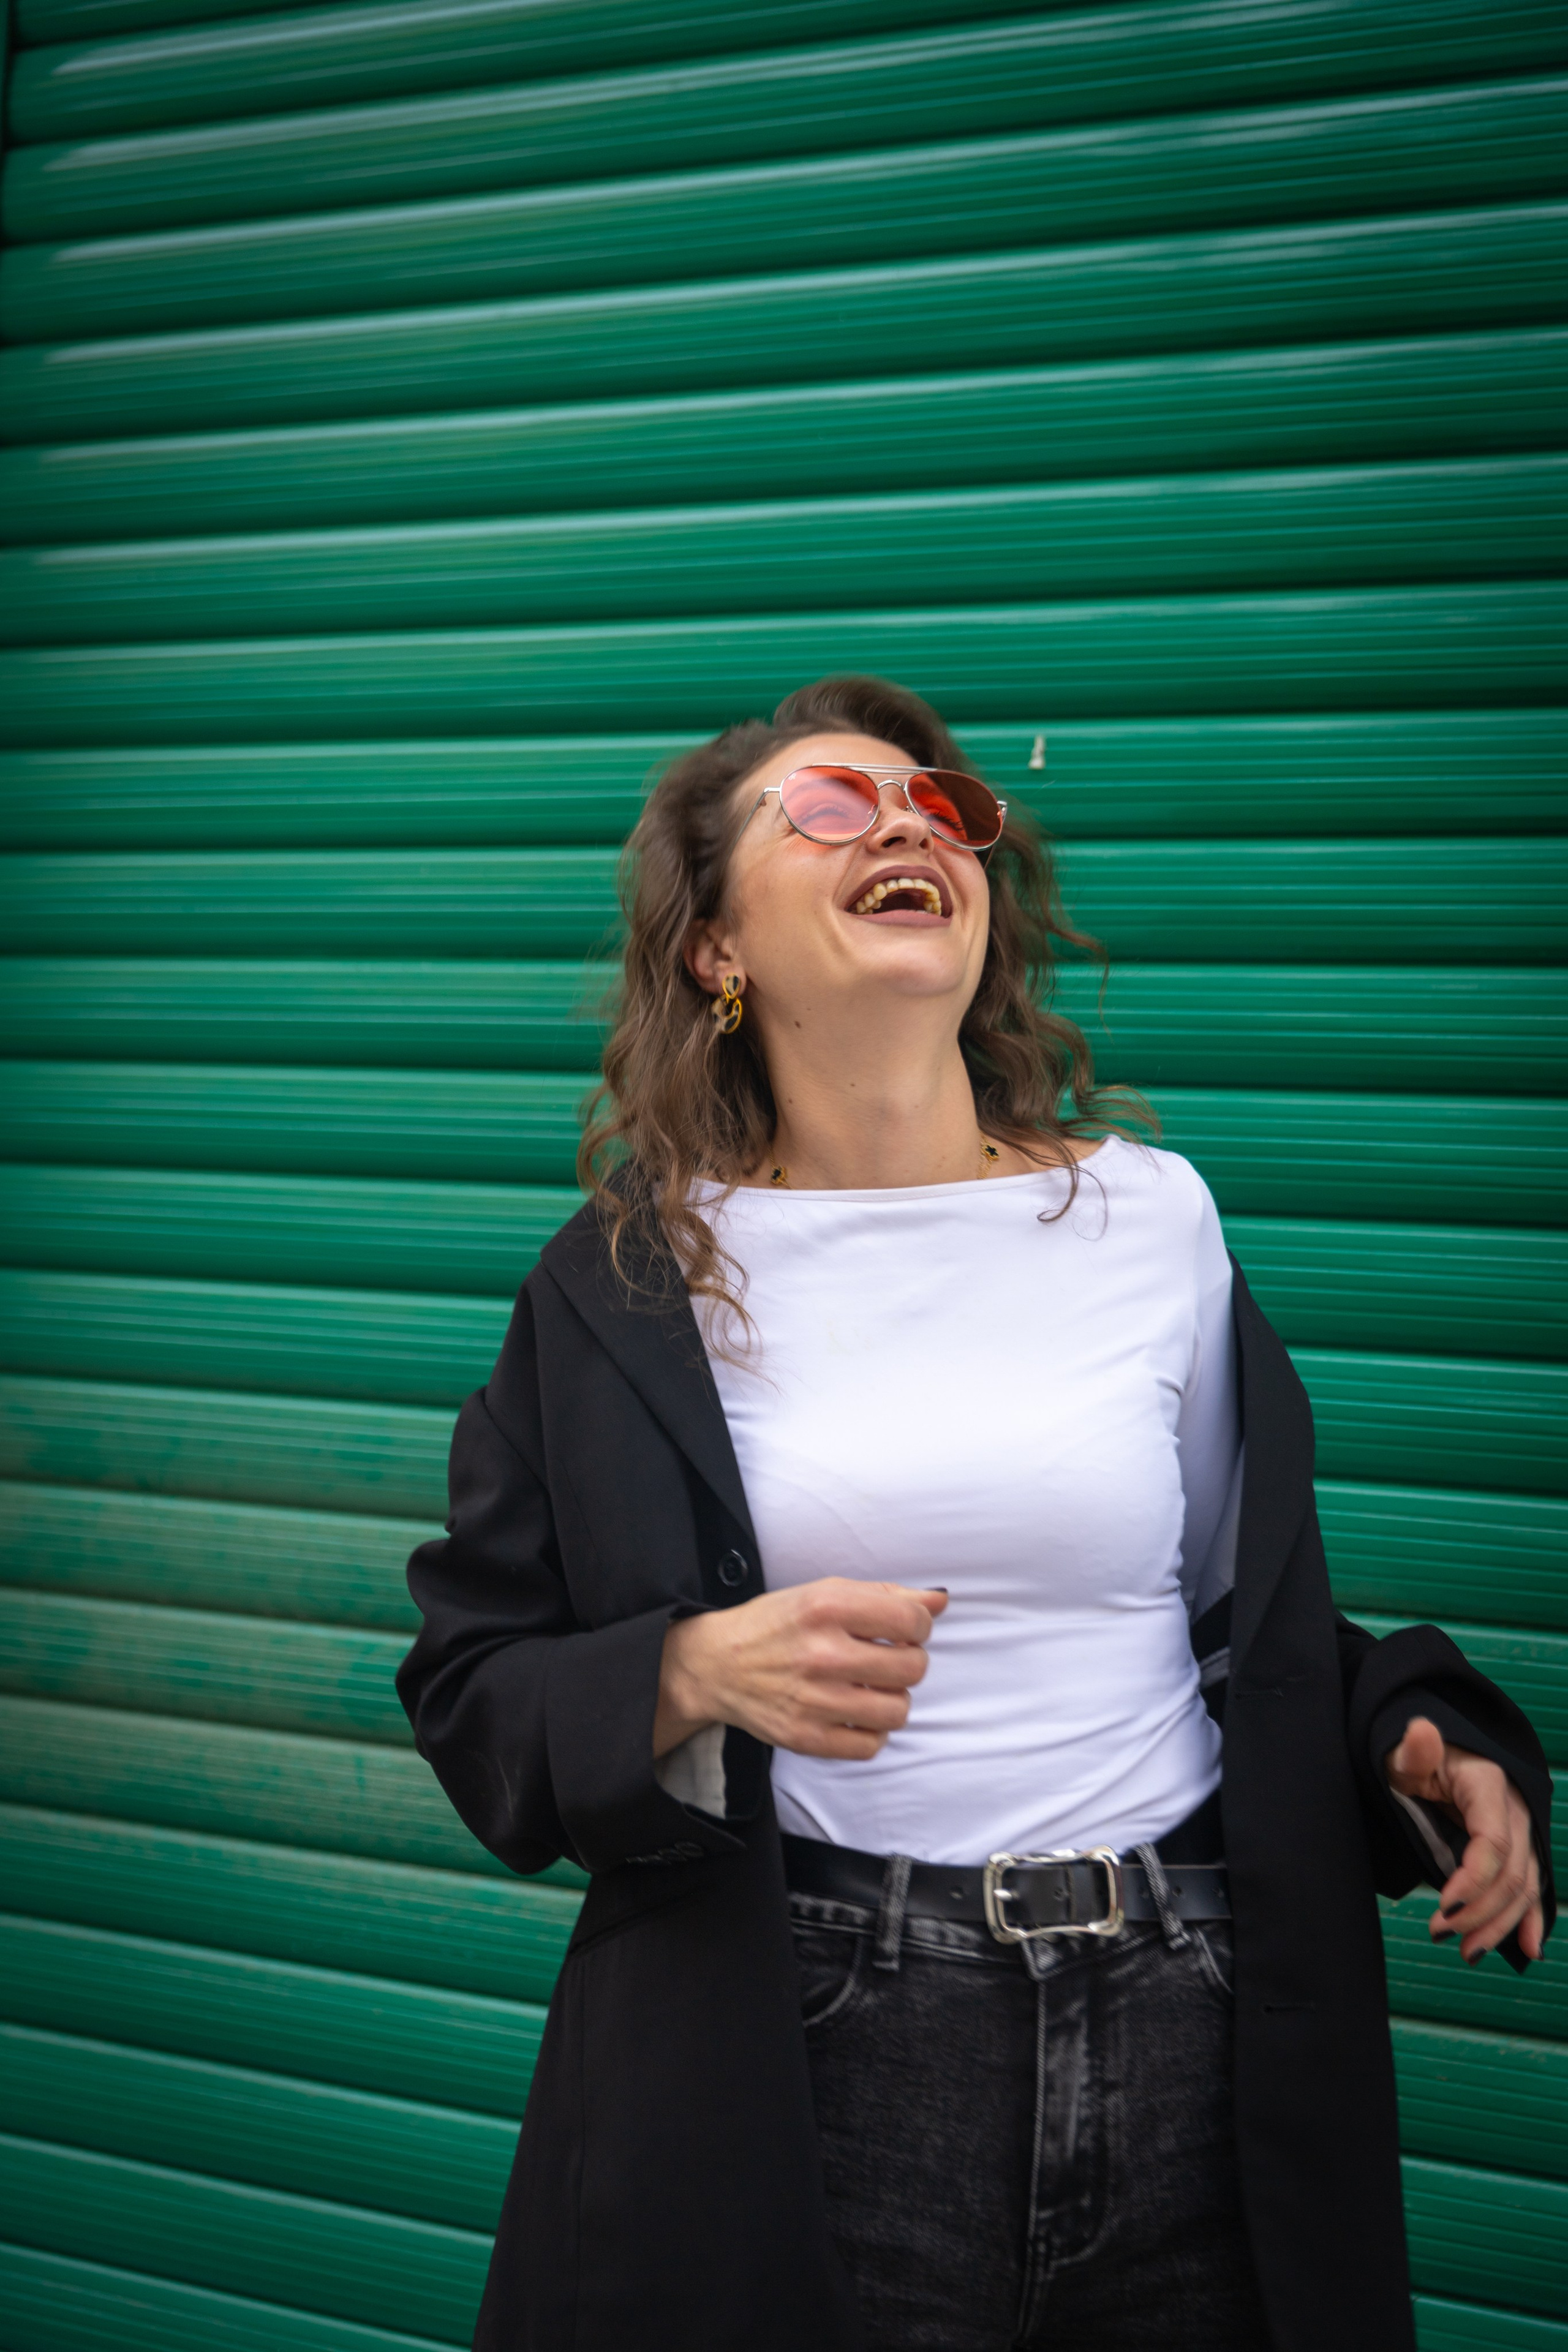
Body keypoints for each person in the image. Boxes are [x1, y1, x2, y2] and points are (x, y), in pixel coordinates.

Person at [398, 674, 1552, 2352]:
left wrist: (1412, 1733)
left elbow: (1249, 1628)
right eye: (829, 807)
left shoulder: (1152, 1222)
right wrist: (690, 1671)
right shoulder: (621, 1293)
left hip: (1192, 2032)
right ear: (718, 948)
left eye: (937, 809)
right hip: (820, 2049)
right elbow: (472, 1684)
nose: (904, 828)